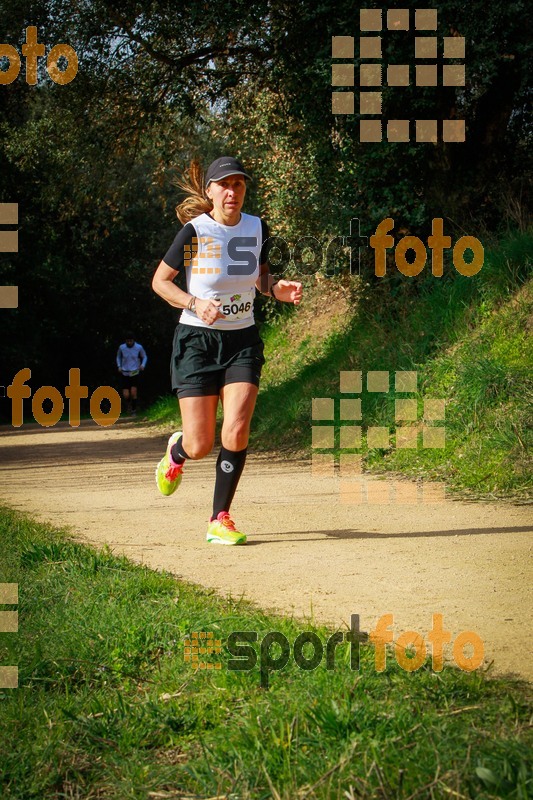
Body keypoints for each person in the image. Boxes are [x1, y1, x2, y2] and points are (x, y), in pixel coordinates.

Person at [151, 156, 302, 545]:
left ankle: (220, 518)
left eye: (239, 184)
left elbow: (261, 276)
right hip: (197, 342)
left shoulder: (256, 227)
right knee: (200, 443)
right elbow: (161, 283)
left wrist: (276, 289)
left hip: (242, 340)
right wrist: (193, 303)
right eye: (224, 184)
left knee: (236, 425)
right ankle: (177, 453)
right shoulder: (195, 233)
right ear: (211, 192)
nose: (232, 191)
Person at [116, 334, 147, 415]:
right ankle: (129, 405)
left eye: (131, 341)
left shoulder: (138, 347)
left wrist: (143, 365)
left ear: (133, 340)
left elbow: (144, 356)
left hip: (134, 371)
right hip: (125, 372)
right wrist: (119, 366)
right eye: (127, 341)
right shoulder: (122, 347)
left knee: (133, 392)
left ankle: (134, 409)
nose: (129, 342)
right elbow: (118, 357)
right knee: (126, 394)